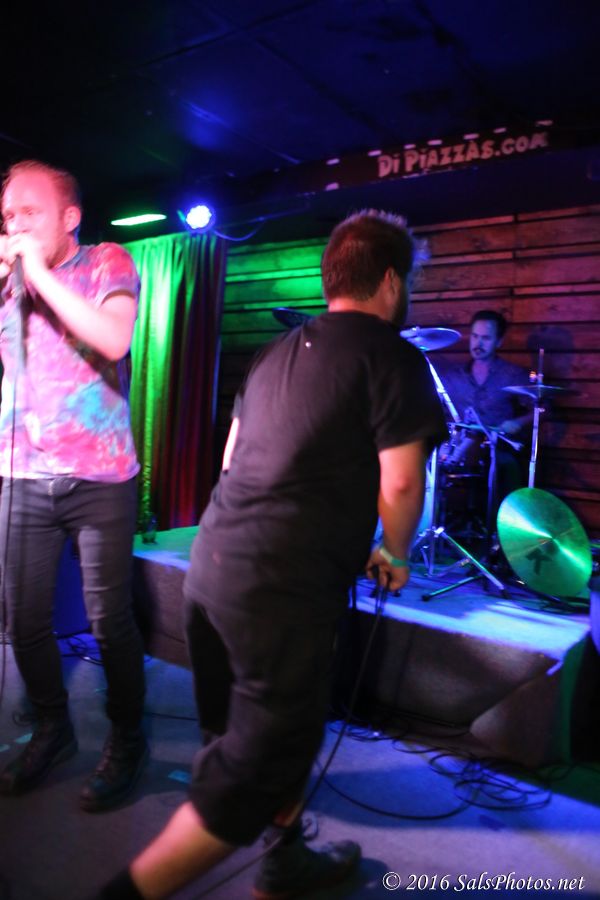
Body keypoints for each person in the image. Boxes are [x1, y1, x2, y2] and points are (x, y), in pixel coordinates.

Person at [98, 210, 447, 900]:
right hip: (279, 592)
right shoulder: (394, 356)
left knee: (245, 736)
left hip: (211, 567)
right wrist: (395, 550)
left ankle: (285, 858)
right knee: (254, 769)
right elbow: (403, 483)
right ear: (390, 280)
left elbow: (232, 461)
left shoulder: (273, 353)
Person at [0, 160, 147, 811]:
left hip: (100, 476)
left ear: (69, 217)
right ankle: (52, 728)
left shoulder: (106, 261)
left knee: (108, 621)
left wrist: (36, 275)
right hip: (22, 473)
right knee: (23, 619)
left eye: (29, 211)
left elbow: (113, 340)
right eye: (8, 215)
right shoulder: (8, 280)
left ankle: (127, 737)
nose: (16, 224)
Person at [440, 310, 533, 511]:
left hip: (497, 448)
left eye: (486, 338)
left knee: (507, 466)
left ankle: (499, 525)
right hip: (459, 446)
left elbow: (542, 409)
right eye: (475, 336)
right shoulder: (454, 375)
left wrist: (518, 422)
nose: (478, 343)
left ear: (499, 342)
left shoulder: (512, 375)